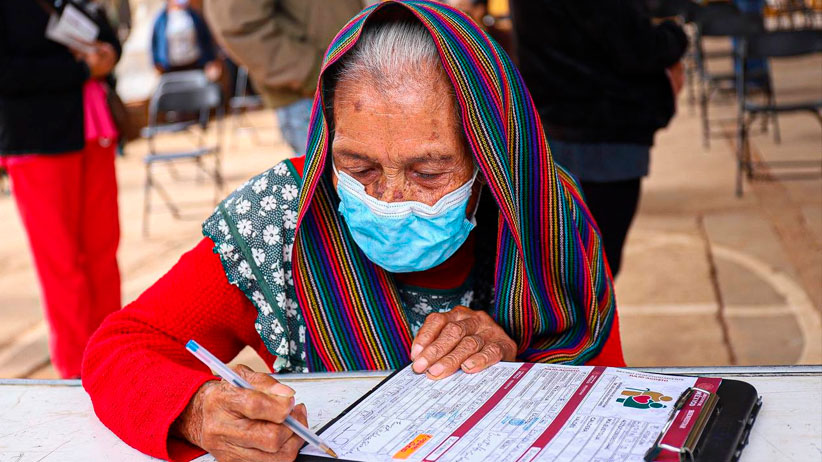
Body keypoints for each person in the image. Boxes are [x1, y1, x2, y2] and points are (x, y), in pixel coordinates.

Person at [82, 2, 623, 460]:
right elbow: (121, 346)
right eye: (359, 169)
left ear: (491, 157)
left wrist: (515, 367)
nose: (388, 198)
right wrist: (198, 411)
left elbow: (612, 409)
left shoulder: (547, 218)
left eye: (428, 173)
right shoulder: (280, 218)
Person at [510, 0, 688, 277]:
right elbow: (635, 46)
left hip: (552, 131)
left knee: (560, 269)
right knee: (594, 273)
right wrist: (675, 35)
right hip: (605, 137)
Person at [0, 0, 122, 378]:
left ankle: (117, 357)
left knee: (104, 252)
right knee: (62, 266)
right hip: (36, 141)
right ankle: (76, 371)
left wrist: (108, 53)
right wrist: (82, 68)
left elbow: (107, 34)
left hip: (91, 130)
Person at [201, 0, 363, 156]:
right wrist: (314, 72)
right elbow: (237, 25)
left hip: (354, 84)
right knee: (333, 180)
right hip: (311, 96)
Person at [151, 0, 220, 80]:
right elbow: (154, 44)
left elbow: (206, 39)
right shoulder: (161, 20)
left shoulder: (194, 15)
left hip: (194, 64)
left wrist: (211, 61)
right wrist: (157, 65)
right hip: (171, 68)